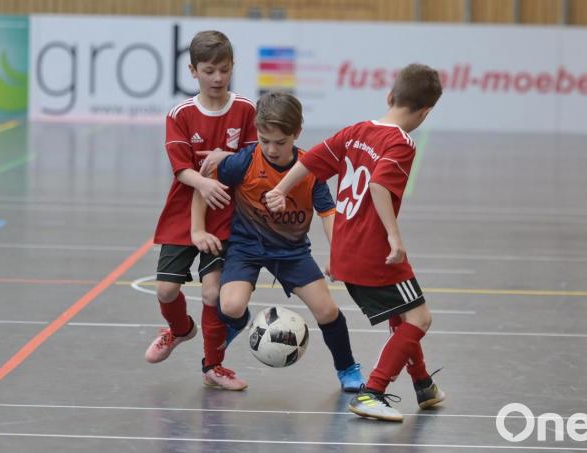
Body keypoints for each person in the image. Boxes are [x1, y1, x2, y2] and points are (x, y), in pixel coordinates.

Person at [265, 63, 445, 421]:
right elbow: (379, 186)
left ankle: (423, 384)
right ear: (425, 112)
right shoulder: (401, 142)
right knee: (419, 318)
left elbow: (311, 159)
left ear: (390, 96)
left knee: (401, 314)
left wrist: (280, 189)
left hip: (345, 250)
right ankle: (372, 392)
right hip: (373, 250)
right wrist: (395, 237)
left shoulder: (356, 131)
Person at [191, 92, 365, 392]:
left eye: (280, 142)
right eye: (264, 140)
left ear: (296, 134)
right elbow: (203, 187)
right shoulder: (244, 161)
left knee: (327, 310)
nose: (271, 149)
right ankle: (237, 322)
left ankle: (348, 368)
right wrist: (196, 229)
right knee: (230, 305)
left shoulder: (310, 169)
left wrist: (338, 255)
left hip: (291, 252)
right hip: (246, 247)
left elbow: (328, 213)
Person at [146, 30, 258, 391]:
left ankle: (214, 366)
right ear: (193, 71)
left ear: (232, 67)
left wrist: (228, 161)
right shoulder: (180, 114)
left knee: (212, 294)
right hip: (184, 210)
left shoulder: (245, 110)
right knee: (165, 290)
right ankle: (180, 329)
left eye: (224, 70)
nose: (218, 78)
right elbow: (181, 168)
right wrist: (204, 182)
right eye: (209, 70)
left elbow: (253, 159)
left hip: (226, 212)